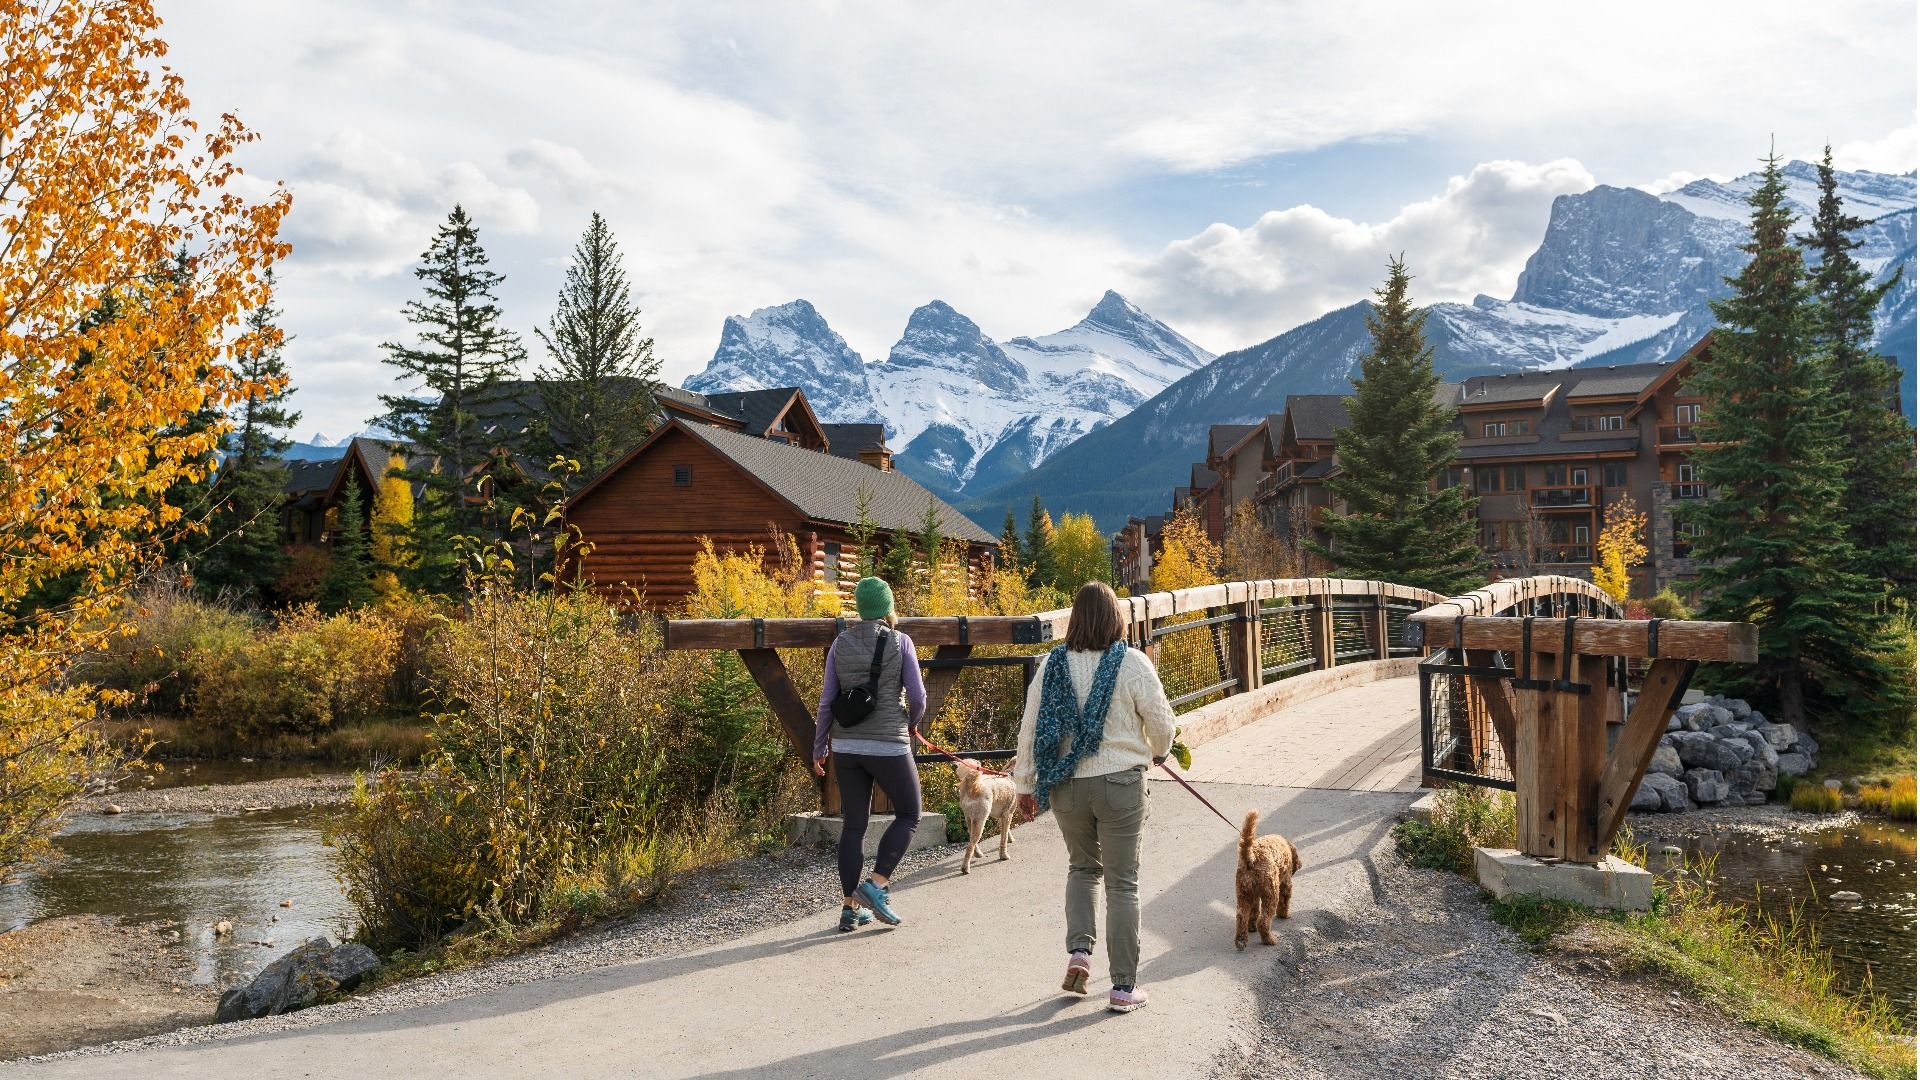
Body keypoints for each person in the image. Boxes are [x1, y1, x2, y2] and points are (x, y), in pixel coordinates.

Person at [1013, 580, 1176, 1014]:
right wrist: (1159, 752)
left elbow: (1030, 729)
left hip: (1067, 787)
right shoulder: (1133, 663)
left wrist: (1026, 785)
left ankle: (1079, 954)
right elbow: (1161, 723)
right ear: (1116, 618)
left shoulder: (1052, 666)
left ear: (1076, 619)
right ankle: (1123, 988)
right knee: (1123, 883)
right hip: (1122, 786)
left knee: (1083, 869)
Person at [813, 576, 927, 932]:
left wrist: (819, 747)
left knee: (854, 826)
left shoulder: (839, 644)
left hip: (845, 747)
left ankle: (849, 908)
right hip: (888, 744)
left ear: (859, 608)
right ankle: (876, 885)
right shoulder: (901, 641)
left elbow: (827, 700)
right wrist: (912, 723)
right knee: (910, 813)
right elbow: (919, 696)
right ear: (888, 607)